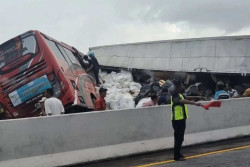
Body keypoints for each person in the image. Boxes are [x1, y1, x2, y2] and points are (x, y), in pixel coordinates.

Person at [171, 80, 202, 161]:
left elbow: (185, 97)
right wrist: (195, 103)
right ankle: (176, 156)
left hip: (181, 119)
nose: (183, 87)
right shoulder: (175, 95)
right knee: (178, 138)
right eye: (181, 85)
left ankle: (178, 154)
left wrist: (197, 97)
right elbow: (181, 101)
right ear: (177, 87)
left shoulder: (179, 94)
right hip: (177, 120)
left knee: (180, 138)